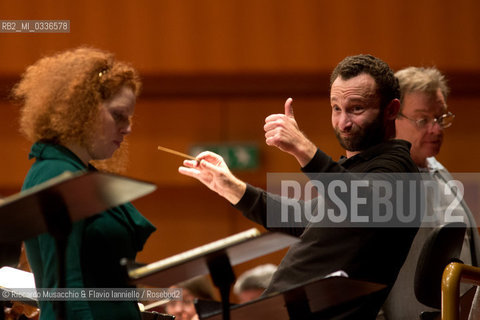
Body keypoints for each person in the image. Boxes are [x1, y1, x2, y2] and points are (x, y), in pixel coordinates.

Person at [179, 54, 419, 319]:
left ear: (391, 110)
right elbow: (298, 218)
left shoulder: (399, 170)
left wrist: (304, 149)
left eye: (356, 109)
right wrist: (230, 187)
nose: (343, 123)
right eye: (336, 108)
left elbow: (360, 203)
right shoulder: (360, 171)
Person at [12, 47, 156, 320]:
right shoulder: (55, 174)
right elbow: (65, 292)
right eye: (118, 115)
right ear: (82, 111)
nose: (128, 128)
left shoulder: (75, 171)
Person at [381, 67, 480, 319]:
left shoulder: (438, 170)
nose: (437, 129)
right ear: (391, 117)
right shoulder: (379, 181)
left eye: (440, 117)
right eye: (423, 119)